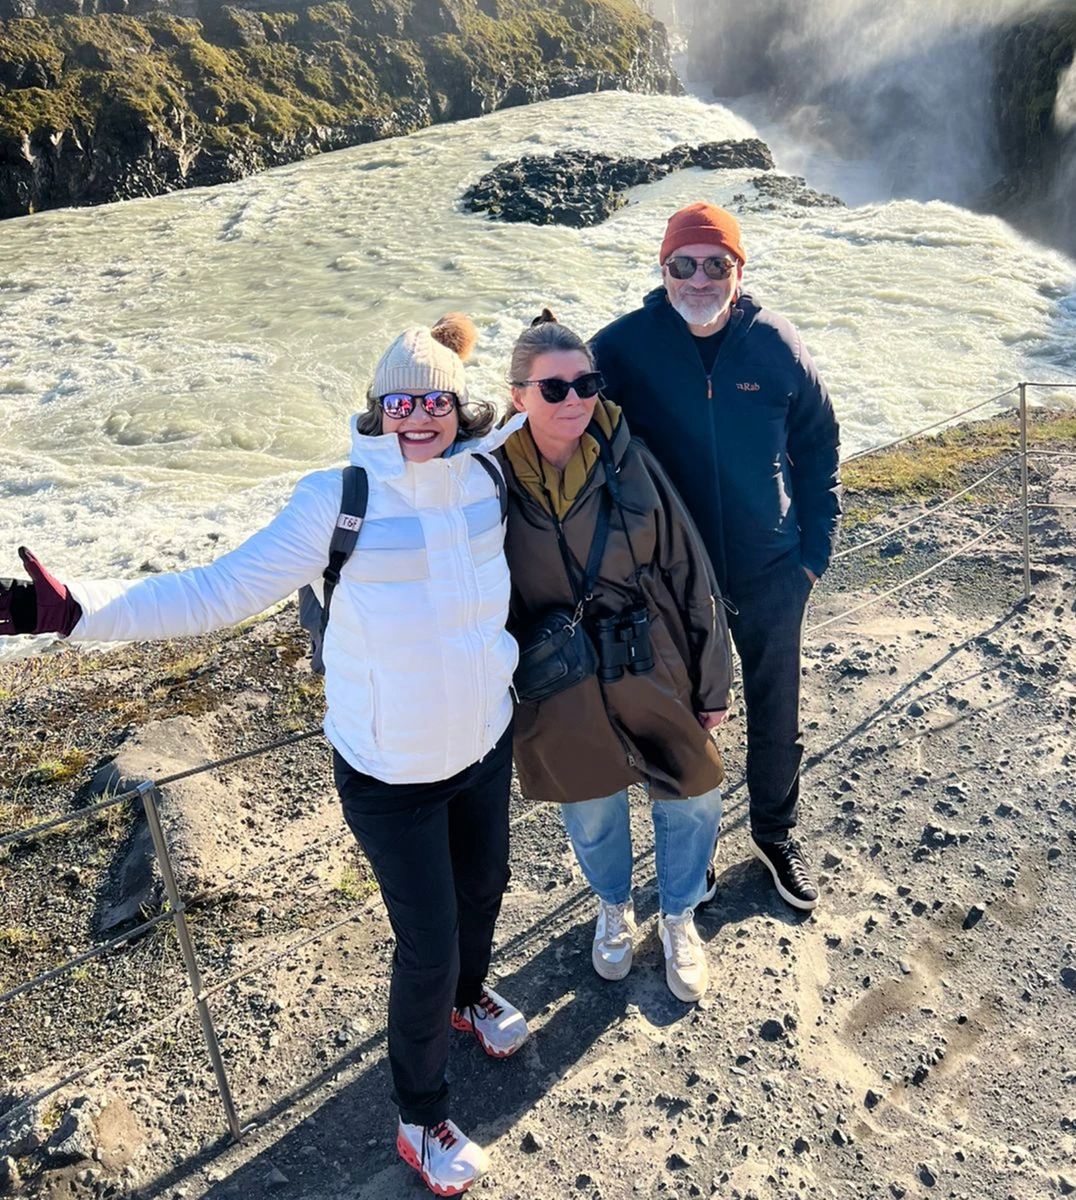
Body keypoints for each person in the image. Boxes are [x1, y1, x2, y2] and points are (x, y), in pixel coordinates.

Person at [0, 315, 525, 1198]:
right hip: (390, 771)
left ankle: (473, 1001)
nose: (419, 419)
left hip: (483, 740)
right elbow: (217, 588)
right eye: (401, 403)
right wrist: (74, 611)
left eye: (435, 401)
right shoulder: (338, 497)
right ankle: (420, 1116)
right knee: (426, 945)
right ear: (377, 409)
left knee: (485, 890)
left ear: (459, 407)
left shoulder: (485, 474)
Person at [591, 203, 841, 913]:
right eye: (684, 264)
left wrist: (813, 554)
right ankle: (691, 859)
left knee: (775, 707)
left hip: (771, 568)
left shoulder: (778, 345)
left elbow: (820, 443)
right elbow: (562, 424)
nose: (699, 278)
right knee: (679, 718)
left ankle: (774, 832)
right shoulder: (620, 350)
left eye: (716, 263)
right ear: (662, 268)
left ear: (740, 269)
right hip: (669, 579)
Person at [497, 312, 732, 1002]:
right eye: (553, 388)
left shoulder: (633, 459)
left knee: (692, 792)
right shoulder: (487, 479)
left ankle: (681, 914)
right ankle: (614, 907)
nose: (573, 399)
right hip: (559, 678)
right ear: (518, 396)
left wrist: (712, 681)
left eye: (586, 383)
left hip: (650, 659)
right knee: (591, 807)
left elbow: (692, 571)